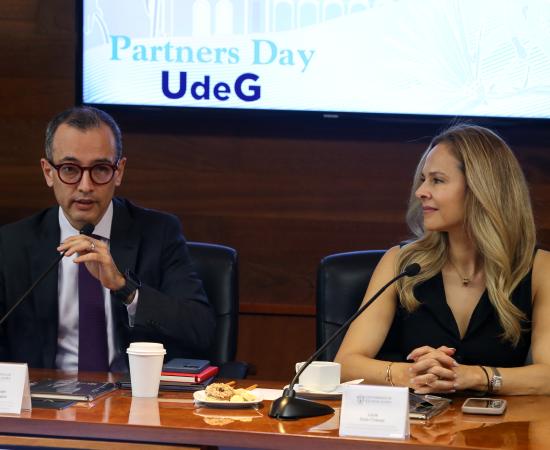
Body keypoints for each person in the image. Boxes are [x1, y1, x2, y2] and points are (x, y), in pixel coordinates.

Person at [335, 124, 550, 395]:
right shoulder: (400, 263)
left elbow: (547, 375)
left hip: (506, 422)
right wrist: (410, 373)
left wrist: (474, 376)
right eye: (423, 179)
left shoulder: (540, 268)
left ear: (481, 188)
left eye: (437, 180)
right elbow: (345, 364)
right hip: (413, 419)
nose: (421, 191)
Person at [0, 106, 215, 372]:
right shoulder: (12, 244)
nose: (85, 186)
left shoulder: (158, 233)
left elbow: (201, 329)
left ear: (119, 171)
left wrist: (125, 289)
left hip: (130, 394)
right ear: (48, 172)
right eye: (70, 169)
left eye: (100, 169)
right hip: (44, 393)